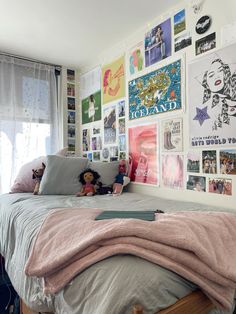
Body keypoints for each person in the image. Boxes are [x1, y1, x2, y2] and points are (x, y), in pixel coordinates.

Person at [202, 58, 236, 131]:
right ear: (206, 84)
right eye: (211, 75)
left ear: (227, 73)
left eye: (220, 71)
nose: (217, 76)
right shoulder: (216, 108)